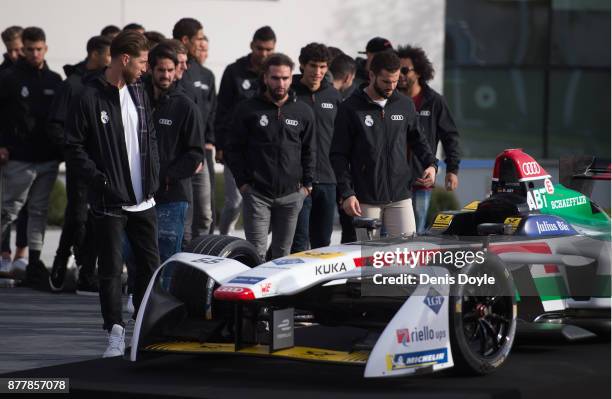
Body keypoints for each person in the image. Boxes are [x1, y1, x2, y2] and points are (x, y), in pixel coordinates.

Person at [65, 31, 160, 357]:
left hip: (143, 198)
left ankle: (146, 332)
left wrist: (153, 178)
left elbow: (149, 140)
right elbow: (73, 145)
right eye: (143, 61)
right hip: (108, 201)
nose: (146, 68)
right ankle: (115, 333)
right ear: (125, 59)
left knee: (150, 268)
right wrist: (100, 181)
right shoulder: (87, 94)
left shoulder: (140, 90)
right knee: (111, 269)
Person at [330, 51, 437, 237]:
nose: (392, 86)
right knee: (369, 258)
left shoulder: (405, 104)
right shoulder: (350, 108)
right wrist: (347, 193)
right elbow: (338, 155)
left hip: (400, 196)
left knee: (406, 257)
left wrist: (431, 164)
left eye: (395, 81)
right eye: (386, 81)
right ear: (372, 75)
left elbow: (418, 139)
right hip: (365, 198)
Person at [225, 53, 315, 261]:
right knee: (255, 253)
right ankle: (256, 294)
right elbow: (233, 149)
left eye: (285, 78)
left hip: (292, 195)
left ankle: (277, 295)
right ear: (265, 78)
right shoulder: (247, 109)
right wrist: (243, 184)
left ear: (291, 78)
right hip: (257, 194)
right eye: (275, 78)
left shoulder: (303, 111)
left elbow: (310, 150)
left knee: (282, 254)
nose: (280, 83)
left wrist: (307, 186)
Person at [47, 35, 112, 294]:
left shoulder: (105, 85)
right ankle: (61, 260)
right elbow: (55, 124)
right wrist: (73, 151)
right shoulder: (73, 85)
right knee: (77, 216)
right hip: (78, 163)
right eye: (108, 55)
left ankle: (87, 272)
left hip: (101, 165)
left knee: (96, 218)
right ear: (95, 54)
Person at [0, 27, 63, 286]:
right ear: (22, 49)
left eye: (39, 49)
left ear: (45, 49)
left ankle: (33, 261)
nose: (34, 53)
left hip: (47, 159)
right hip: (19, 157)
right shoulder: (9, 78)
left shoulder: (54, 80)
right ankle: (4, 255)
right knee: (9, 210)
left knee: (38, 211)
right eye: (29, 49)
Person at [144, 43, 204, 261]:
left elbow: (195, 153)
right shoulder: (137, 99)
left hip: (172, 195)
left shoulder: (186, 106)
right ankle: (137, 295)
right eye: (161, 70)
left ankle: (166, 295)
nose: (166, 75)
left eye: (170, 70)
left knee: (168, 255)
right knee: (136, 254)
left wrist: (166, 176)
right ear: (151, 69)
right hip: (138, 195)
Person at [214, 26, 276, 235]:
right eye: (260, 48)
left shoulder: (277, 74)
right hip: (236, 147)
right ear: (252, 46)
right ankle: (224, 236)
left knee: (265, 202)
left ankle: (257, 245)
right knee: (235, 201)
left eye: (269, 49)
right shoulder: (234, 71)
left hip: (264, 150)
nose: (264, 54)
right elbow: (221, 110)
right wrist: (220, 145)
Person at [396, 45, 461, 233]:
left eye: (405, 70)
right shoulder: (392, 101)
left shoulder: (434, 101)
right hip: (393, 180)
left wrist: (452, 169)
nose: (400, 74)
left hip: (421, 178)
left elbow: (450, 136)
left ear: (419, 72)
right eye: (397, 69)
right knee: (389, 235)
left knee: (417, 229)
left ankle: (414, 263)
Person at [290, 43, 341, 252]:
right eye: (313, 66)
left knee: (322, 243)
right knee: (298, 242)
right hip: (297, 180)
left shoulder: (334, 96)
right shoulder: (290, 92)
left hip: (328, 179)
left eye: (322, 67)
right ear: (302, 65)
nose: (318, 72)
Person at [172, 18, 214, 241]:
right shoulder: (173, 70)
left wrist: (209, 141)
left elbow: (210, 110)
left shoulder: (202, 73)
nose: (201, 43)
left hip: (200, 152)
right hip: (178, 154)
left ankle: (201, 259)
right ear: (185, 40)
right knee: (184, 216)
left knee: (205, 215)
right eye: (198, 38)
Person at [0, 25, 28, 275]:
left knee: (27, 205)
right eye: (11, 50)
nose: (16, 54)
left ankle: (22, 252)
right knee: (7, 205)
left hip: (30, 151)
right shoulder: (4, 75)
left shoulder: (39, 74)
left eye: (19, 49)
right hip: (9, 151)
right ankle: (4, 252)